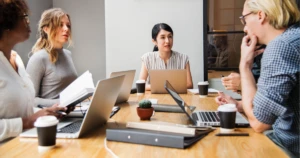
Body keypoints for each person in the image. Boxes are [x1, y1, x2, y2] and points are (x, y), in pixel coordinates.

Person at [216, 0, 300, 157]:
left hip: (287, 147)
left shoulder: (281, 47)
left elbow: (259, 122)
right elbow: (277, 106)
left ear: (261, 15)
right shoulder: (294, 37)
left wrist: (245, 65)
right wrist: (240, 105)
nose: (244, 28)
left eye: (244, 18)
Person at [0, 0, 66, 143]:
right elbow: (25, 119)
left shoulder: (16, 59)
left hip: (27, 143)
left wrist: (45, 113)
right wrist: (27, 122)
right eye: (23, 17)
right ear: (6, 23)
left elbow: (23, 110)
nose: (28, 22)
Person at [26, 8, 78, 107]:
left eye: (68, 25)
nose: (66, 29)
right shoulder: (38, 58)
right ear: (46, 29)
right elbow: (30, 100)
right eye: (60, 24)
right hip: (51, 118)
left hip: (71, 113)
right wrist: (63, 103)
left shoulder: (67, 54)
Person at [139, 23, 193, 90]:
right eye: (162, 37)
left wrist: (162, 87)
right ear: (154, 41)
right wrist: (165, 87)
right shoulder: (147, 58)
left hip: (177, 98)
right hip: (154, 99)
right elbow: (141, 84)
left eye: (170, 36)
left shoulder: (183, 58)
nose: (167, 41)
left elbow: (189, 85)